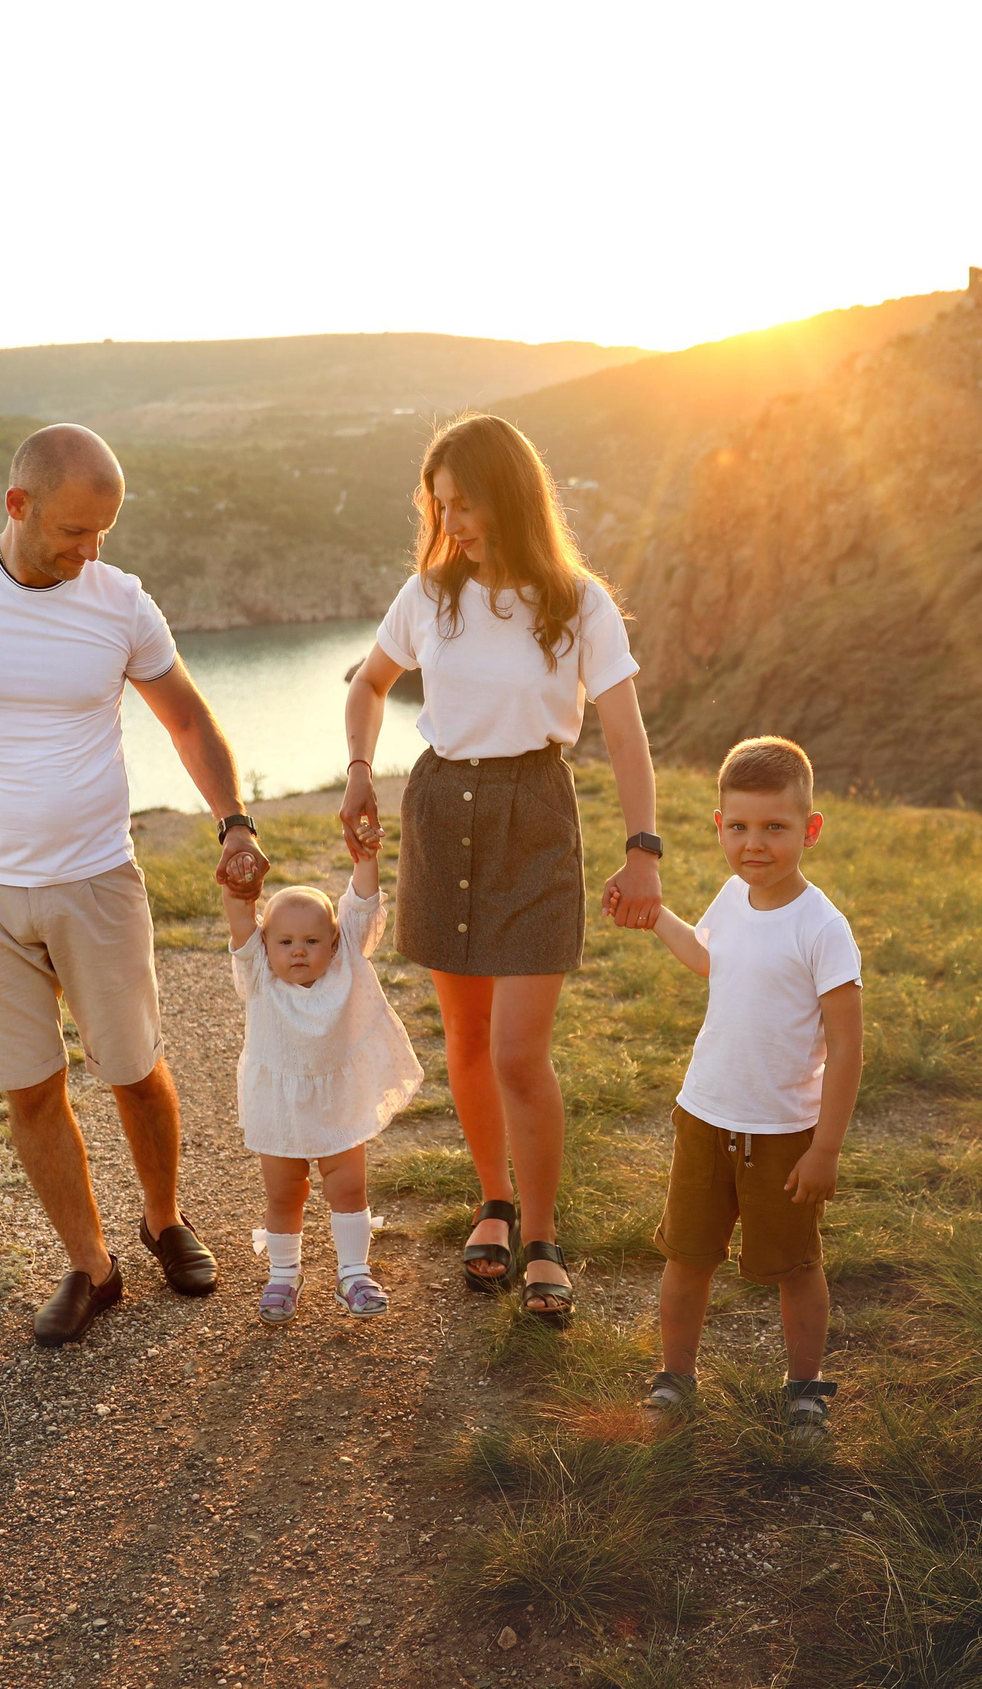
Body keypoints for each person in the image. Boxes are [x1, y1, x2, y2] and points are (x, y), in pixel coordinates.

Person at [0, 423, 270, 1347]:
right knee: (31, 1089)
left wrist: (235, 820)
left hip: (95, 881)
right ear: (18, 505)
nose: (90, 552)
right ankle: (92, 1266)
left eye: (104, 534)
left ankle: (163, 1222)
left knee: (135, 1069)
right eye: (75, 532)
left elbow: (189, 720)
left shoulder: (120, 603)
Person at [340, 413, 664, 1324]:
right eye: (440, 506)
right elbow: (367, 684)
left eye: (468, 503)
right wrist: (362, 770)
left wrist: (644, 850)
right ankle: (494, 1200)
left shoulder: (576, 600)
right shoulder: (428, 595)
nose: (454, 523)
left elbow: (627, 731)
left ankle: (545, 1238)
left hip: (533, 817)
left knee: (522, 1052)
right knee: (469, 1038)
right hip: (443, 811)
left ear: (510, 494)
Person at [628, 737, 861, 1449]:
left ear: (809, 828)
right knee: (688, 1254)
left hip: (785, 1130)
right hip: (706, 1114)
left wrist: (824, 1147)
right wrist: (655, 915)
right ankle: (675, 1377)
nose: (754, 844)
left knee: (795, 1264)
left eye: (774, 827)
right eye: (739, 827)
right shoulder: (732, 896)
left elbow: (848, 1045)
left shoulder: (822, 927)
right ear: (718, 826)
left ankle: (805, 1388)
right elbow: (709, 958)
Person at [219, 826, 421, 1325]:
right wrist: (236, 888)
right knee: (284, 1191)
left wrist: (365, 857)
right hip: (279, 1104)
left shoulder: (347, 955)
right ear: (266, 944)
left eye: (312, 940)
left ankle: (354, 1272)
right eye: (285, 941)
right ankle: (284, 1275)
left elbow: (363, 904)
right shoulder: (259, 972)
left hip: (339, 1099)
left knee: (347, 1185)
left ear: (334, 941)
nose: (299, 951)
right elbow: (241, 923)